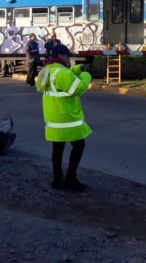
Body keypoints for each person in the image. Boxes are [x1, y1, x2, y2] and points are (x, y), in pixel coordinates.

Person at [36, 44, 92, 192]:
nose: (68, 58)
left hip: (53, 119)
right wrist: (86, 75)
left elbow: (64, 77)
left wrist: (77, 69)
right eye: (67, 55)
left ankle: (57, 179)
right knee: (79, 145)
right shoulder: (61, 73)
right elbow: (79, 88)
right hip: (66, 117)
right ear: (61, 55)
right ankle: (71, 179)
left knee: (57, 148)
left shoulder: (48, 69)